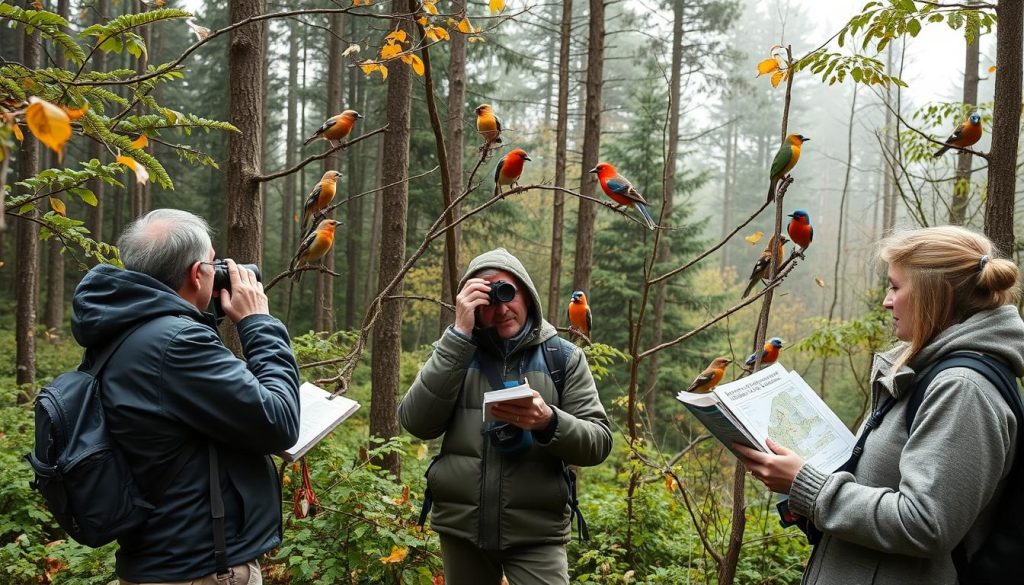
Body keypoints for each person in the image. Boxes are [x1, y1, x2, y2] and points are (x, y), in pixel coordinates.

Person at [736, 225, 1024, 584]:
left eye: (896, 286)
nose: (887, 301)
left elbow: (925, 523)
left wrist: (809, 487)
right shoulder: (926, 371)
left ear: (939, 295)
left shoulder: (963, 389)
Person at [71, 209, 301, 584]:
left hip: (160, 558)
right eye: (214, 262)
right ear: (197, 273)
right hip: (201, 569)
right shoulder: (176, 344)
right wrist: (258, 322)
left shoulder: (122, 329)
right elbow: (280, 421)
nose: (221, 270)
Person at [399, 248, 612, 585]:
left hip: (537, 532)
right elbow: (415, 422)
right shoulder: (455, 352)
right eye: (487, 301)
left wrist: (549, 421)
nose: (501, 309)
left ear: (527, 295)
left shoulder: (563, 357)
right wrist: (458, 336)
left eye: (508, 293)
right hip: (462, 529)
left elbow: (599, 442)